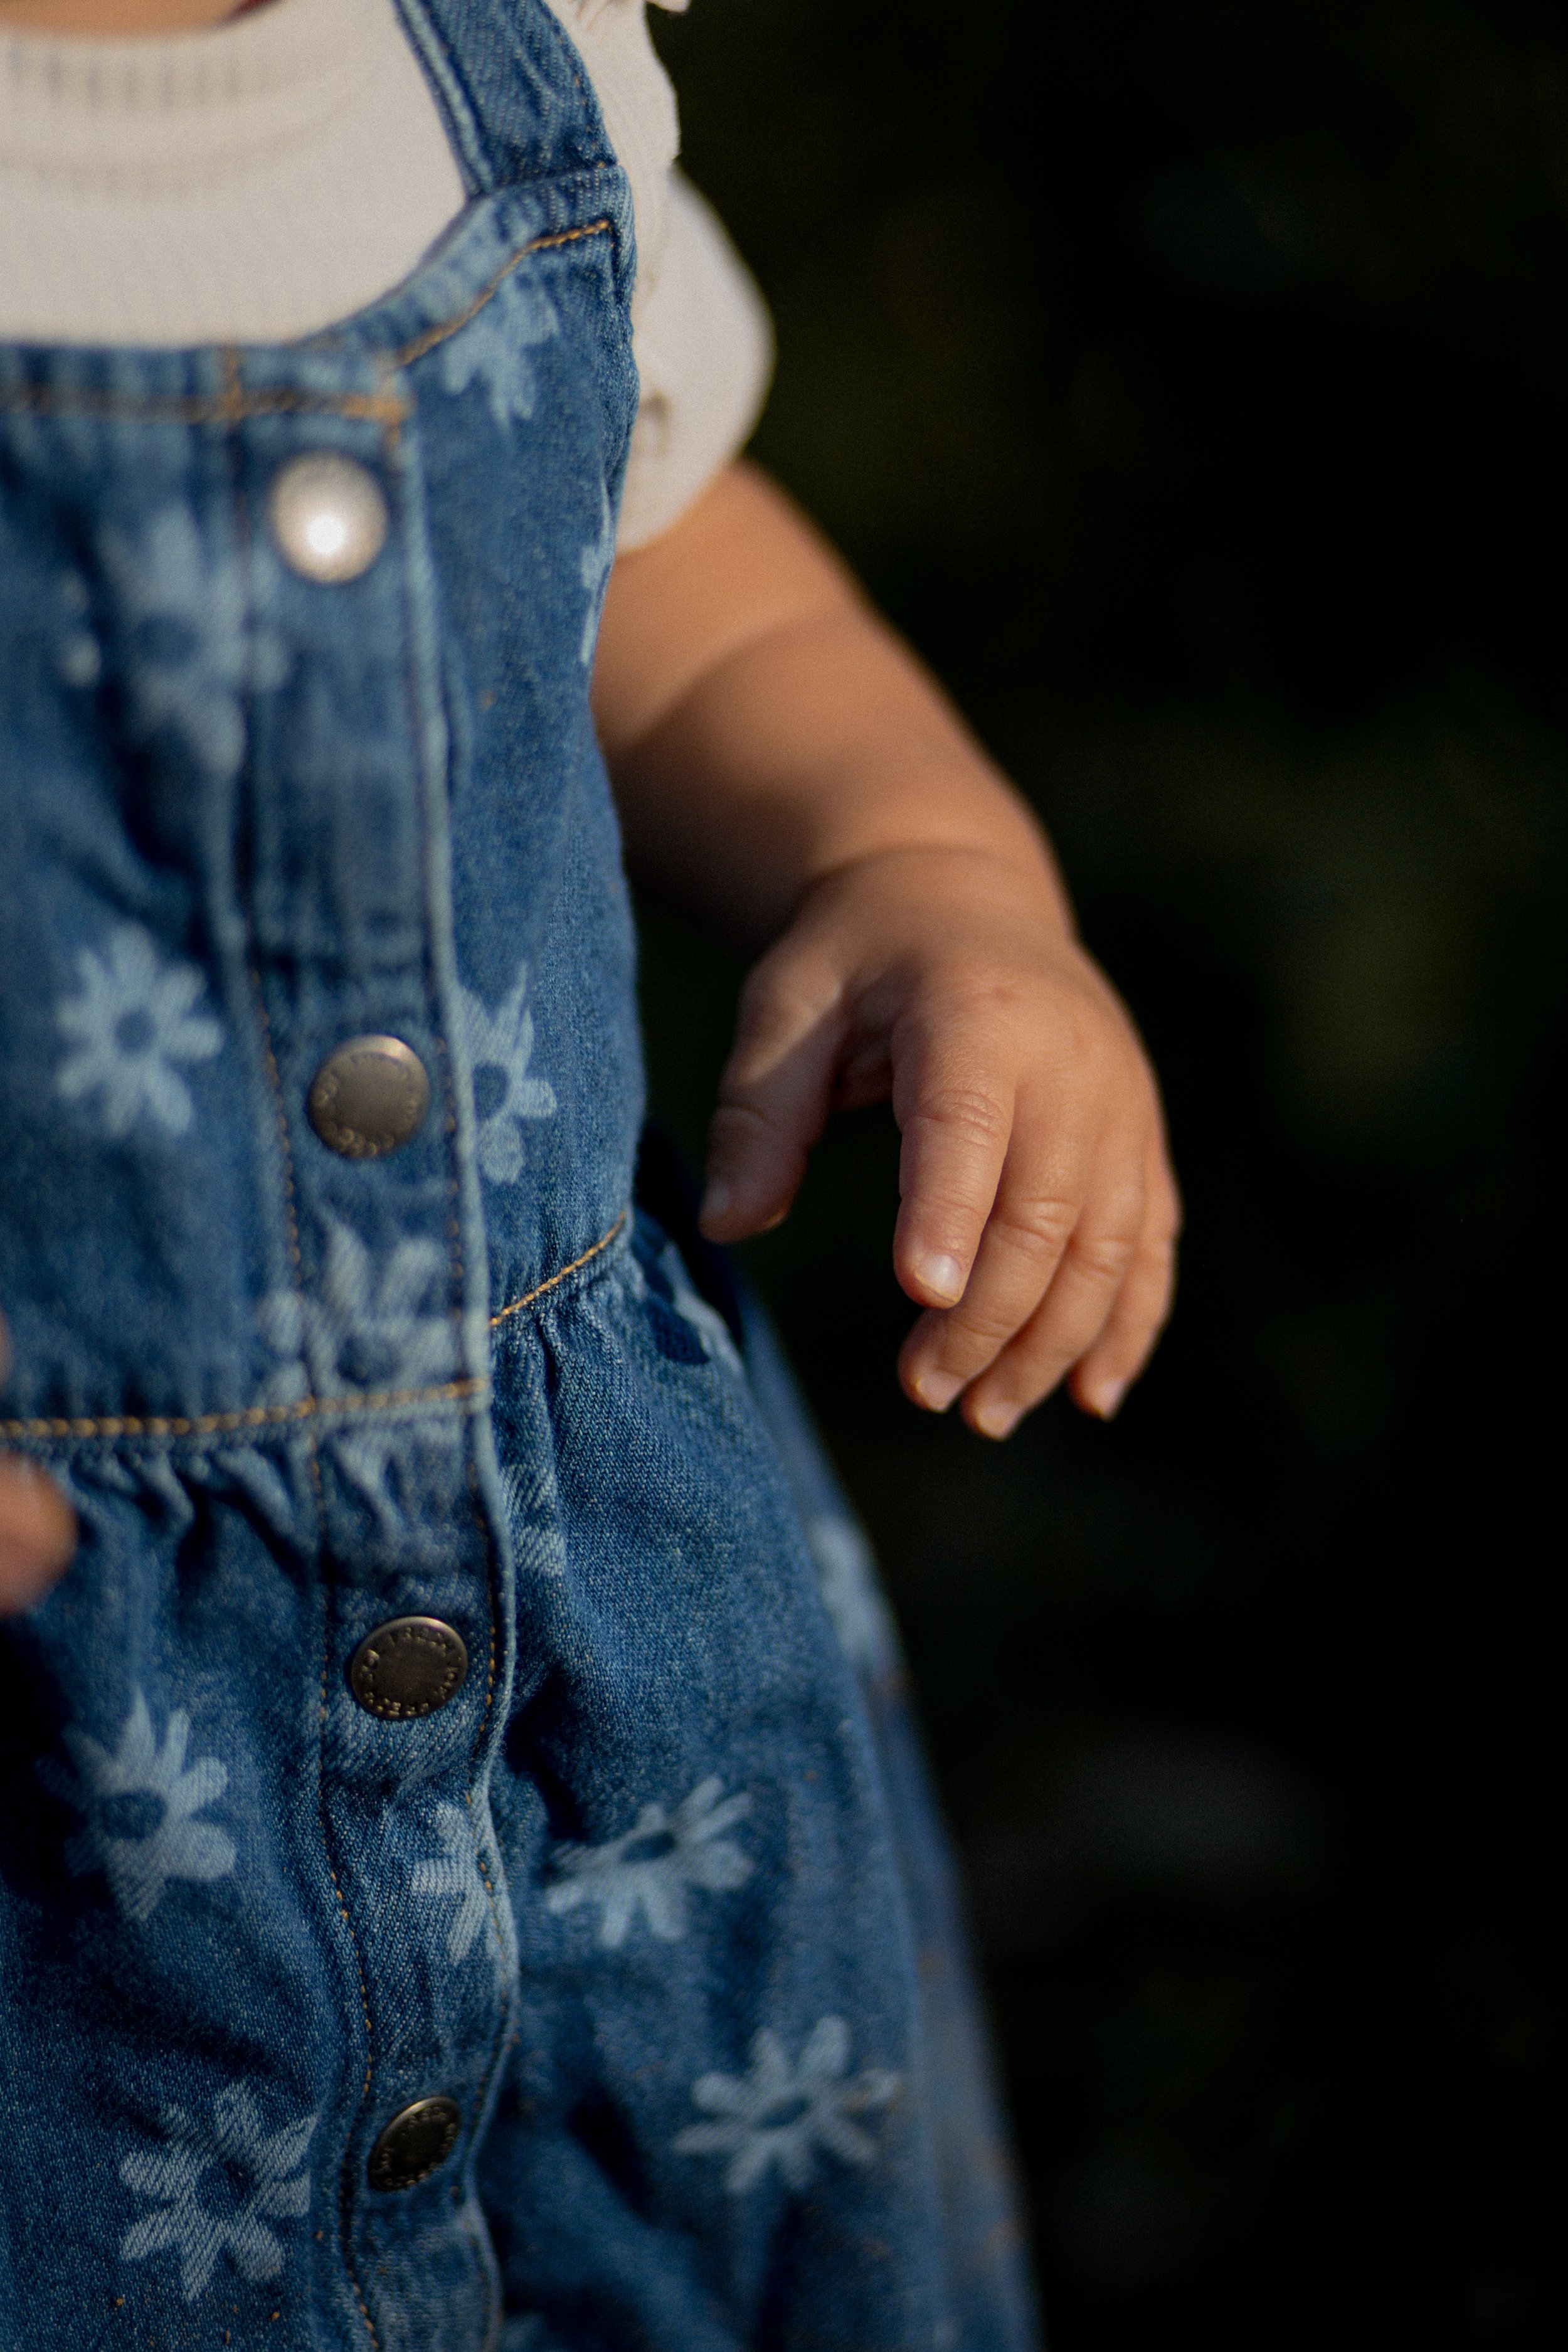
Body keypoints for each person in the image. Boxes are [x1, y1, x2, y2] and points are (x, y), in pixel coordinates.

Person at [0, 0, 1179, 2344]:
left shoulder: (493, 55)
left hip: (612, 1695)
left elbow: (662, 533)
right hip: (67, 1794)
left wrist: (924, 859)